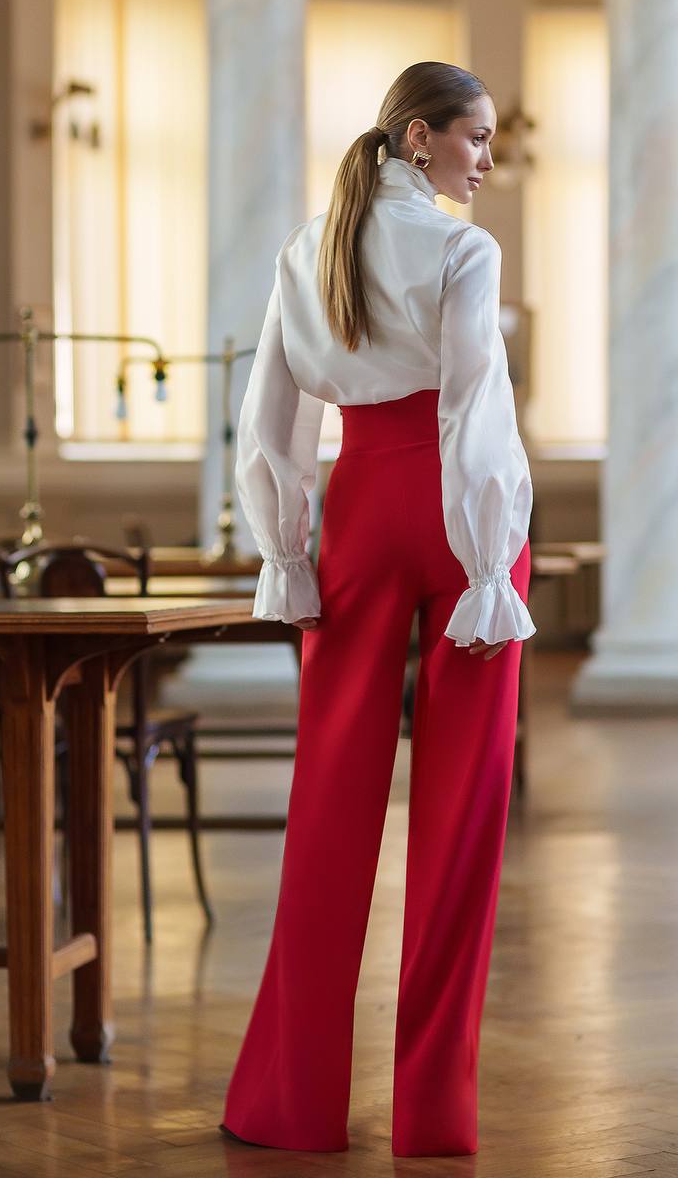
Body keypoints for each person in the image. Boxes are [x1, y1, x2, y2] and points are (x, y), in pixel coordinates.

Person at [220, 60, 535, 1159]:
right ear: (418, 136)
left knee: (327, 806)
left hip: (355, 513)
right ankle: (431, 1115)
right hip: (457, 520)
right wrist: (490, 562)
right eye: (477, 138)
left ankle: (287, 1104)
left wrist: (286, 549)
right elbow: (473, 409)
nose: (487, 160)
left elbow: (269, 416)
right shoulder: (462, 249)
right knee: (460, 821)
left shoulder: (307, 247)